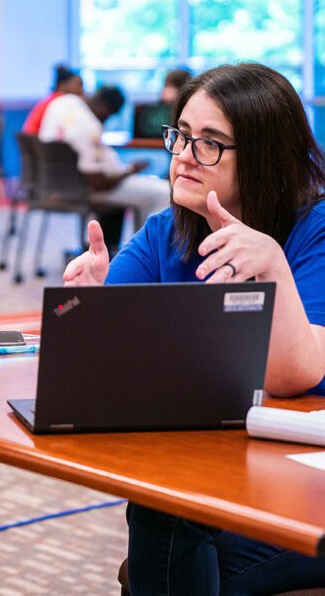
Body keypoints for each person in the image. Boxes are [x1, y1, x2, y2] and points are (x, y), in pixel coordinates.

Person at [63, 62, 325, 594]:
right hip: (224, 476)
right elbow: (106, 363)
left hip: (307, 485)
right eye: (181, 134)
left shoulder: (313, 231)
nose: (183, 155)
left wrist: (270, 264)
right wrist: (89, 309)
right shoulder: (166, 232)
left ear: (265, 158)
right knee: (168, 518)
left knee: (169, 550)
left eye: (210, 143)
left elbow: (297, 376)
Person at [39, 84, 170, 244]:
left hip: (51, 184)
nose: (106, 121)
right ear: (103, 107)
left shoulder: (63, 102)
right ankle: (148, 255)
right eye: (109, 115)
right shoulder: (88, 126)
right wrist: (130, 171)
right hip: (86, 190)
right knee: (164, 192)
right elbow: (99, 183)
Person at [23, 64, 84, 135]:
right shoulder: (62, 102)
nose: (82, 90)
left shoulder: (52, 99)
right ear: (62, 85)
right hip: (39, 143)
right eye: (79, 85)